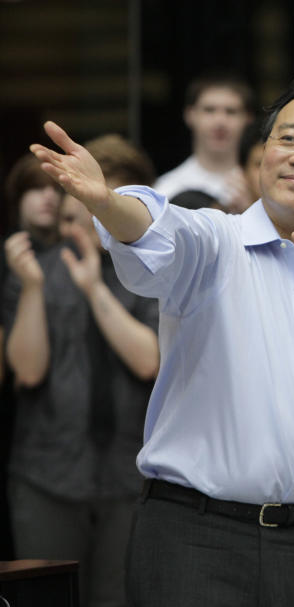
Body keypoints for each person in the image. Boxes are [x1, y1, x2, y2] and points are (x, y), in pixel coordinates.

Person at [29, 70, 294, 607]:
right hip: (193, 536)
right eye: (287, 138)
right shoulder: (215, 242)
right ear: (263, 152)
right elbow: (155, 229)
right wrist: (105, 201)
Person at [4, 133, 160, 607]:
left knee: (118, 598)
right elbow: (27, 372)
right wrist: (32, 289)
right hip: (47, 473)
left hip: (130, 473)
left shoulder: (152, 275)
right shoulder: (34, 271)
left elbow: (148, 359)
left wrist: (95, 289)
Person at [153, 72, 256, 212]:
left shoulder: (261, 187)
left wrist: (253, 209)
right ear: (190, 115)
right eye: (209, 110)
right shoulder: (165, 191)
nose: (220, 121)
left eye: (231, 111)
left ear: (248, 118)